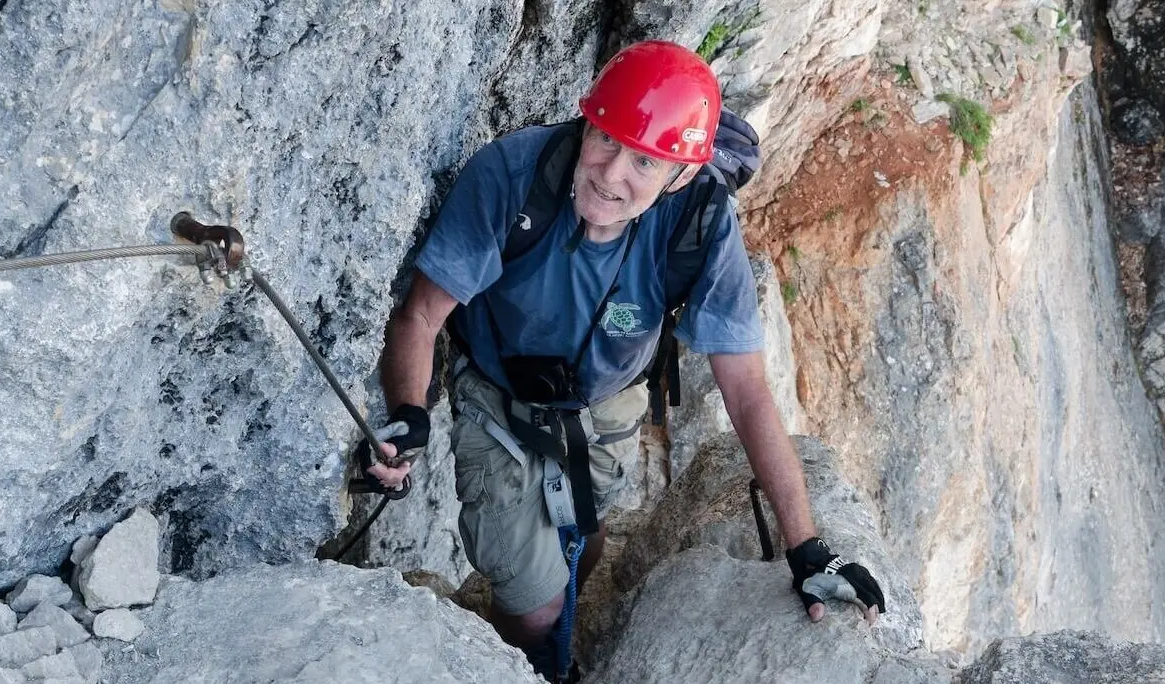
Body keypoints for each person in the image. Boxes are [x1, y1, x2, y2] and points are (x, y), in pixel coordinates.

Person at [363, 40, 885, 681]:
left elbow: (746, 388)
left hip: (607, 398)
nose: (611, 175)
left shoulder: (700, 225)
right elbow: (420, 316)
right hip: (497, 396)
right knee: (536, 609)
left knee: (586, 544)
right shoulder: (513, 176)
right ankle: (522, 665)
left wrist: (808, 548)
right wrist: (408, 414)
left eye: (646, 161)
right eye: (605, 139)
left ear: (684, 174)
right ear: (587, 122)